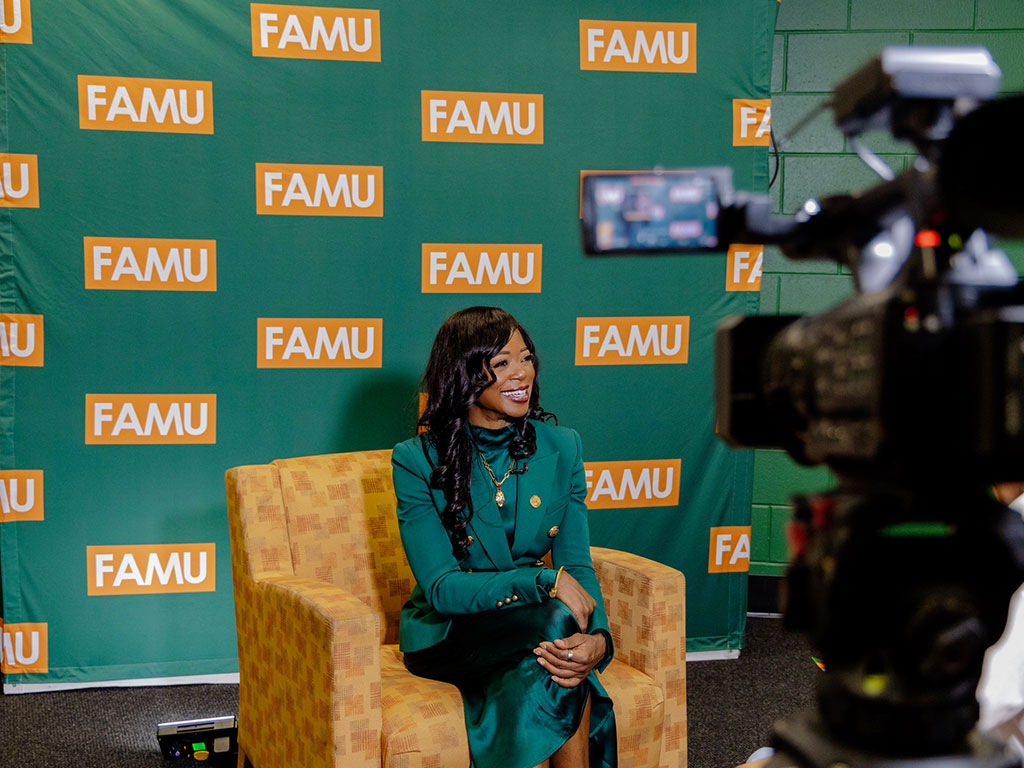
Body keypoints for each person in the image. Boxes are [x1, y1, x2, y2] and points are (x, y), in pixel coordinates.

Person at [391, 306, 616, 768]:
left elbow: (577, 562)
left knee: (552, 660)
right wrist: (539, 582)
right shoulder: (416, 460)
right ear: (464, 373)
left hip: (534, 626)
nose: (521, 374)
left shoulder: (563, 446)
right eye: (501, 363)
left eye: (526, 358)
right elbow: (442, 589)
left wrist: (597, 639)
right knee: (555, 623)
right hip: (449, 632)